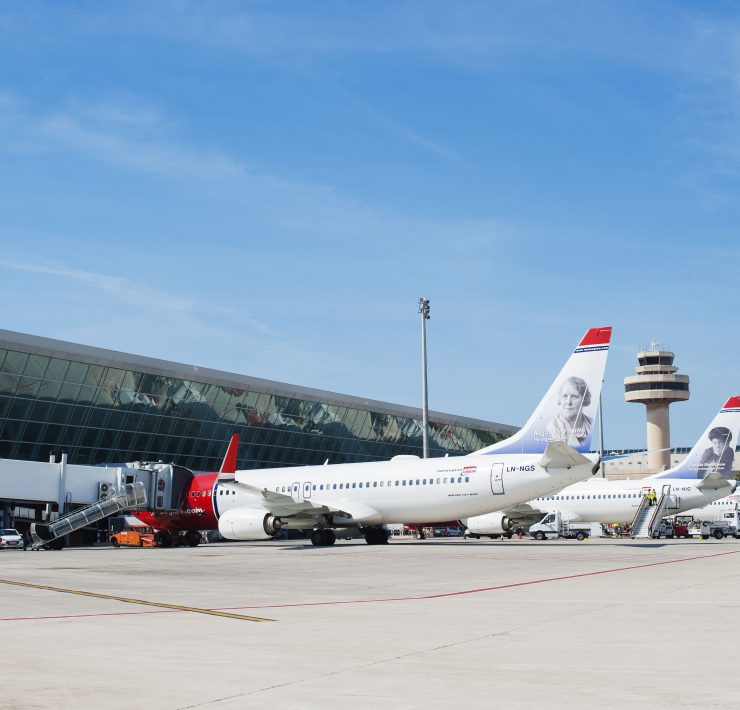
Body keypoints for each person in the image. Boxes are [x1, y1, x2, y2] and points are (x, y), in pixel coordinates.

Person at [545, 376, 593, 446]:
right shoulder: (552, 427)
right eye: (564, 396)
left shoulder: (590, 424)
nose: (568, 402)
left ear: (584, 399)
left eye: (574, 396)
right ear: (560, 399)